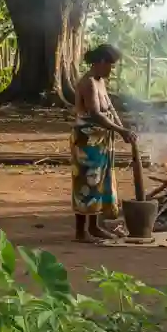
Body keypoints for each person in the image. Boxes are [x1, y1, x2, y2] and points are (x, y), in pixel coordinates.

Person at [71, 44, 137, 242]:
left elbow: (110, 109)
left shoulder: (100, 82)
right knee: (86, 183)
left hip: (101, 139)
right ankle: (81, 232)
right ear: (100, 62)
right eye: (110, 65)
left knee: (100, 182)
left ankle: (95, 226)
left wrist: (123, 128)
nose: (112, 69)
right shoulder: (88, 82)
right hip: (87, 139)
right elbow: (96, 113)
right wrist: (119, 130)